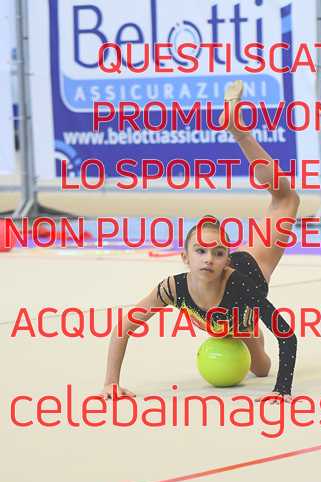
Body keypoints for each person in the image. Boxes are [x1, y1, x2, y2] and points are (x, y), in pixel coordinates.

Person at [101, 81, 300, 404]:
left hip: (249, 274)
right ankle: (239, 132)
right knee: (256, 360)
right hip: (224, 310)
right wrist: (111, 383)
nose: (208, 258)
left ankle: (241, 134)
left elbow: (286, 336)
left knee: (285, 198)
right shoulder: (172, 288)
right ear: (185, 256)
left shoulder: (241, 286)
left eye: (218, 252)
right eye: (201, 250)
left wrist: (282, 390)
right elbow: (125, 325)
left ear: (226, 259)